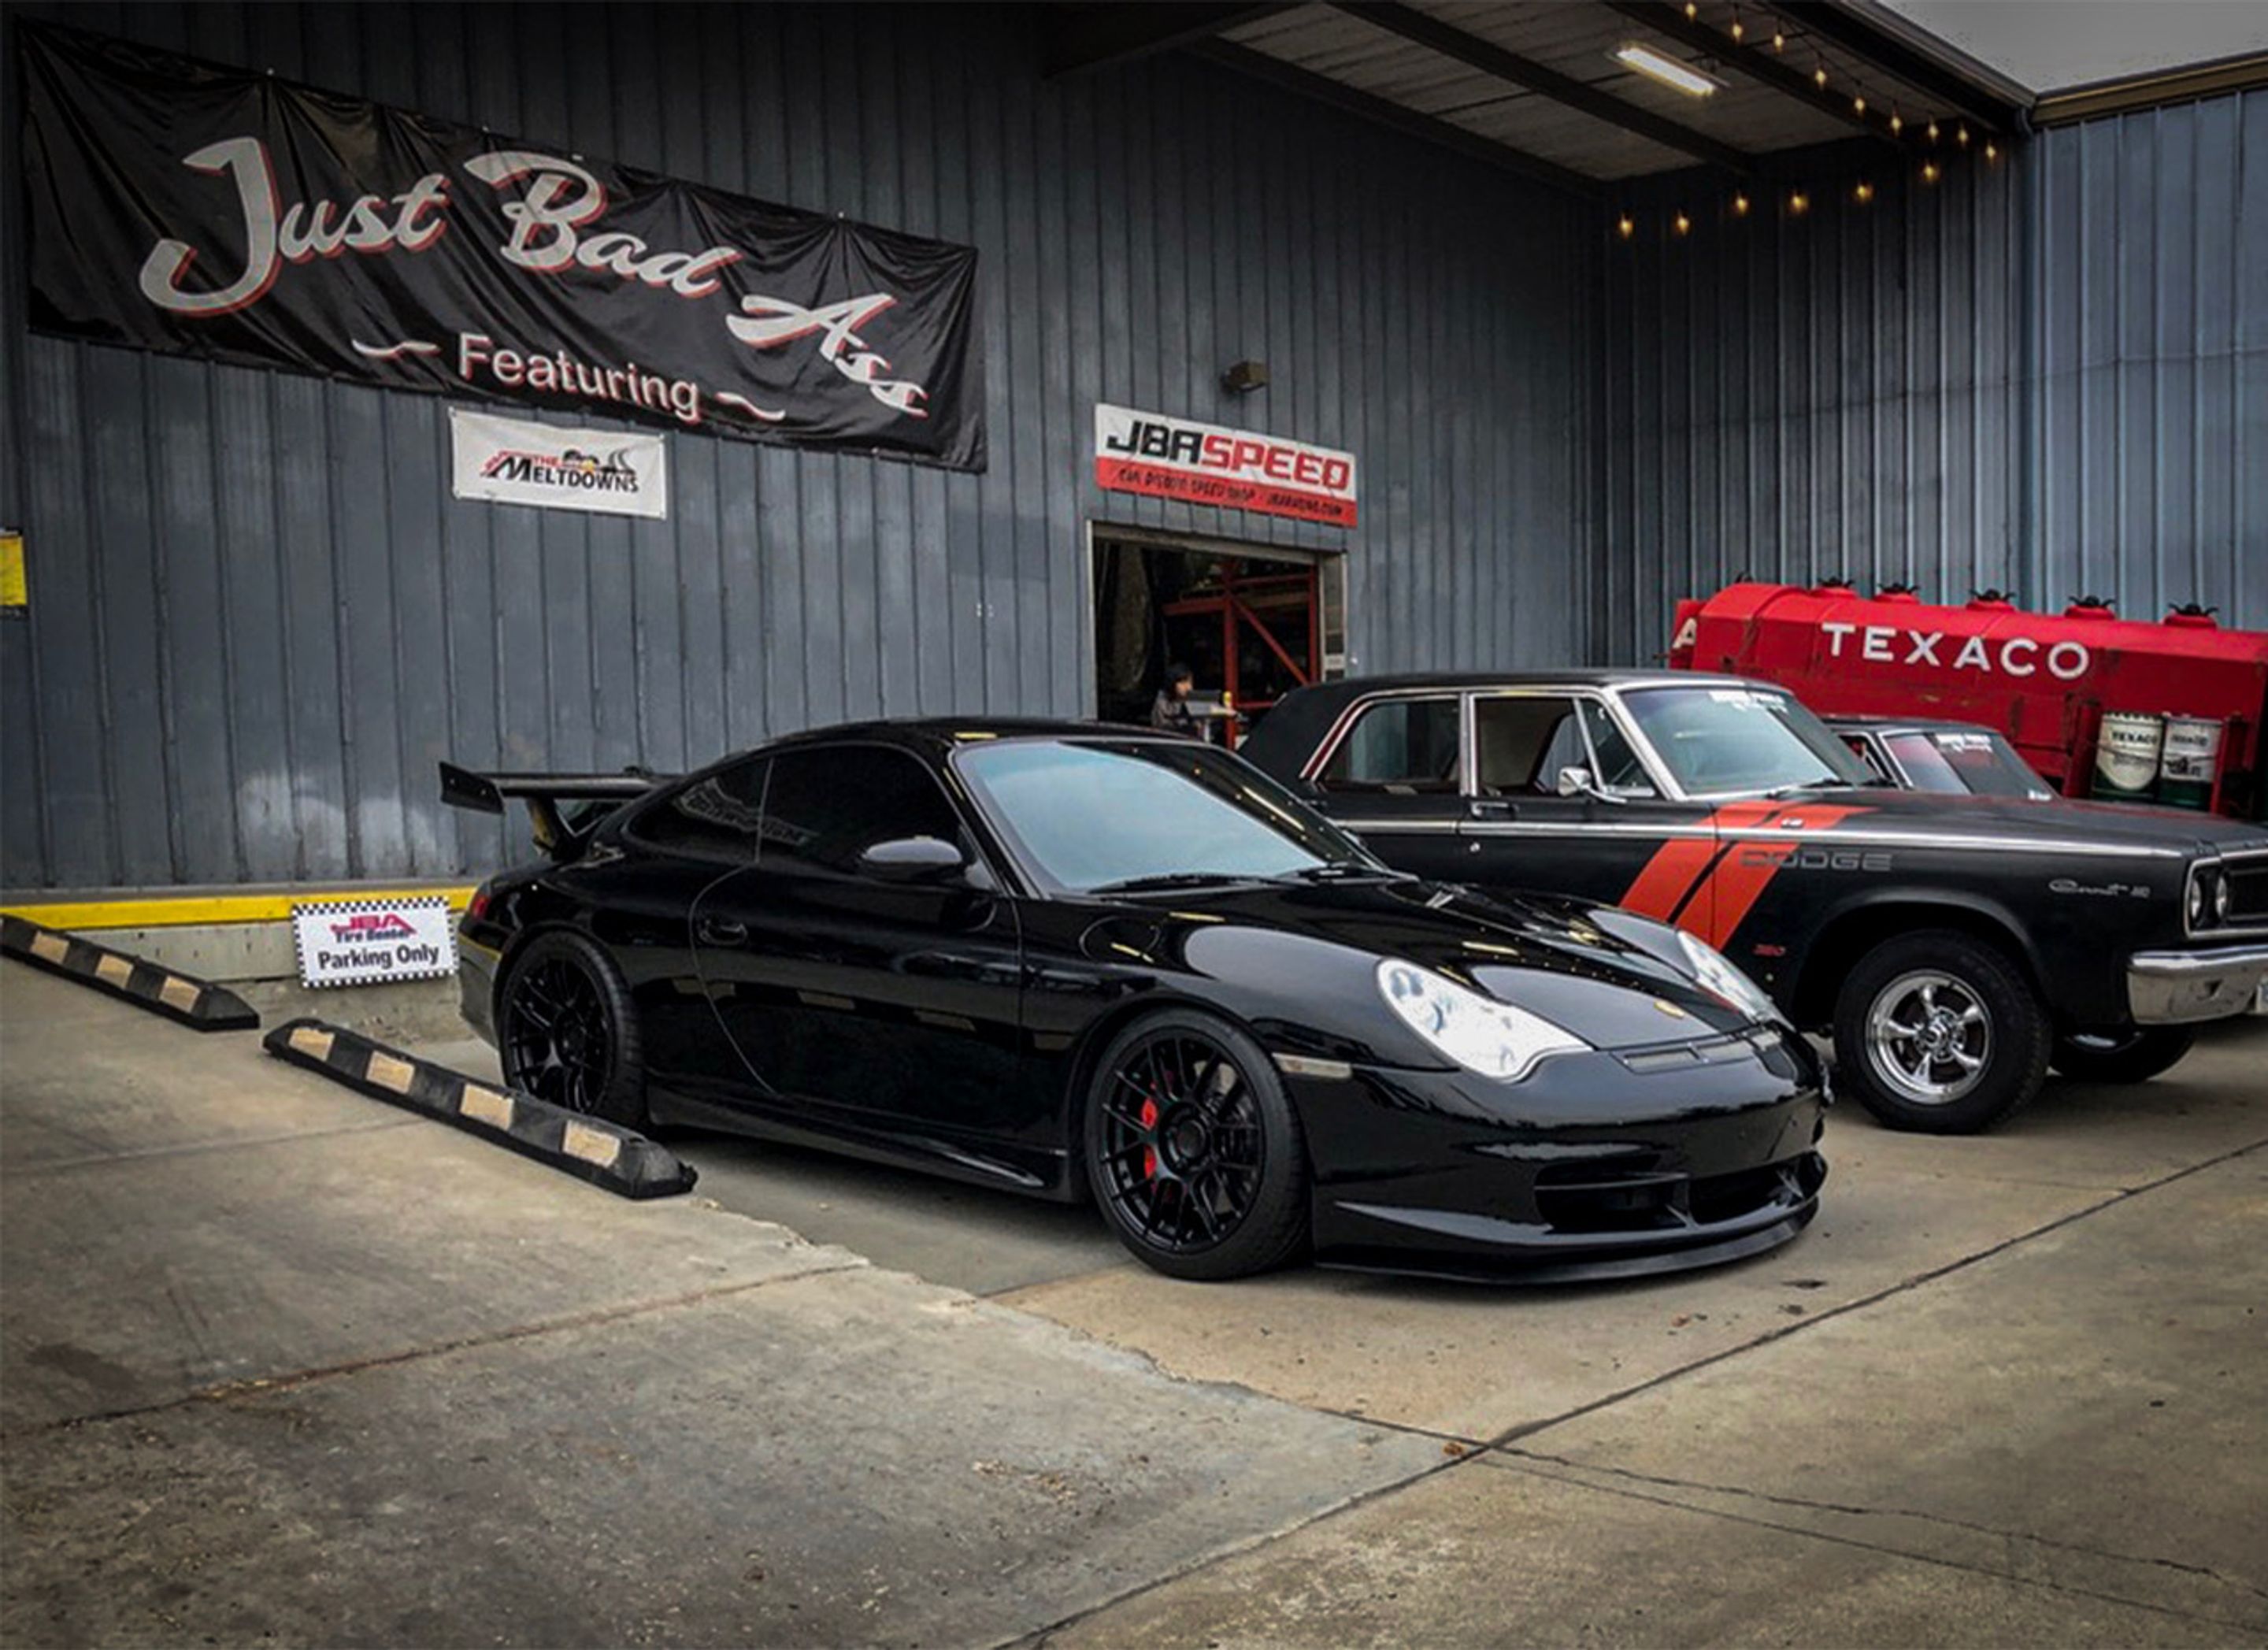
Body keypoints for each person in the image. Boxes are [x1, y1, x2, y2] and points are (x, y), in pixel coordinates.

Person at [1149, 662, 1201, 737]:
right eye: (1183, 683)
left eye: (1190, 683)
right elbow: (1162, 728)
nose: (1188, 687)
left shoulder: (1191, 701)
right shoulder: (1163, 703)